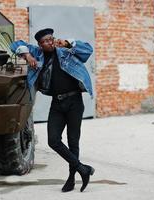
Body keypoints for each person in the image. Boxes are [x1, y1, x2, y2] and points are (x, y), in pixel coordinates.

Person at [10, 28, 95, 192]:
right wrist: (27, 55)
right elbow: (15, 45)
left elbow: (88, 50)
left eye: (50, 39)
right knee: (53, 140)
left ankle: (71, 179)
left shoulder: (65, 51)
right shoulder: (37, 53)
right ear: (39, 45)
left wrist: (69, 43)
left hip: (74, 102)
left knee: (73, 142)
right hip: (57, 103)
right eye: (44, 41)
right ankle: (83, 169)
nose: (49, 43)